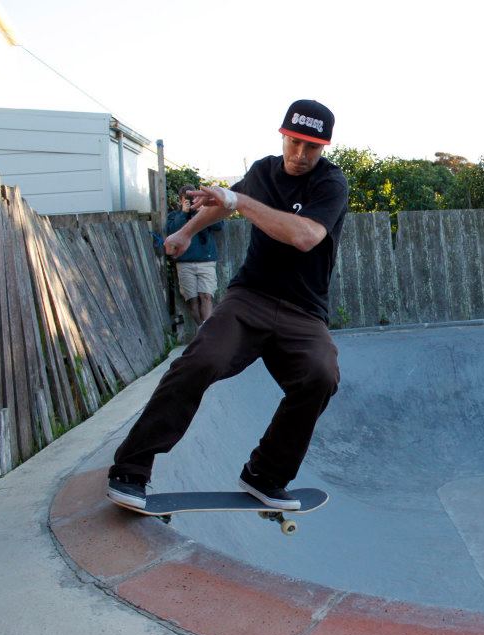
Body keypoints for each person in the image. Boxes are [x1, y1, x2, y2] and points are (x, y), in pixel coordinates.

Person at [107, 99, 349, 511]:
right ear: (283, 136)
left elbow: (306, 236)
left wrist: (241, 204)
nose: (300, 155)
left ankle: (264, 474)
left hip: (303, 312)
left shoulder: (331, 184)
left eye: (312, 148)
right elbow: (224, 201)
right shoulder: (263, 171)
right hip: (249, 298)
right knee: (199, 361)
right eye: (295, 143)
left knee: (321, 376)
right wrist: (185, 232)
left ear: (324, 148)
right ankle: (131, 467)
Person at [167, 184, 224, 327]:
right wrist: (184, 214)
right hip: (184, 263)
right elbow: (172, 232)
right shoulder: (175, 216)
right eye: (186, 198)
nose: (191, 201)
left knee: (206, 297)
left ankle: (207, 333)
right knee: (192, 301)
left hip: (206, 261)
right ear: (181, 200)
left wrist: (202, 212)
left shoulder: (205, 212)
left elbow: (219, 226)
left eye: (193, 197)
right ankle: (202, 330)